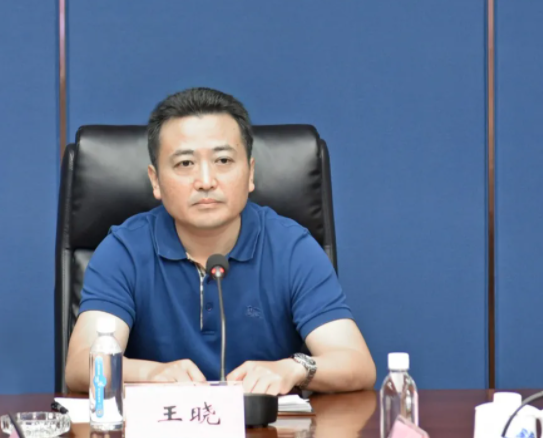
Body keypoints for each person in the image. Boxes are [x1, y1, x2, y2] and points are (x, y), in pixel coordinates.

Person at [65, 87, 376, 395]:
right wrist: (152, 373)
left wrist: (294, 369)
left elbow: (356, 363)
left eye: (223, 160)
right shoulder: (124, 250)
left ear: (250, 173)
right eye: (185, 163)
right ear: (155, 180)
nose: (206, 181)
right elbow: (81, 365)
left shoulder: (292, 248)